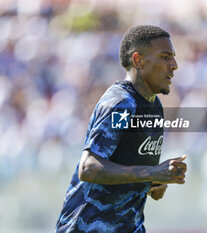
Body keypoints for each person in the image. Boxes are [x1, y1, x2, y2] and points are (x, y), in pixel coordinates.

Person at [55, 25, 187, 233]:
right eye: (165, 57)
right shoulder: (121, 104)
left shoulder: (154, 106)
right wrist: (151, 172)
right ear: (138, 60)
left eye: (173, 57)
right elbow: (89, 168)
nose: (174, 65)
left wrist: (152, 182)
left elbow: (125, 168)